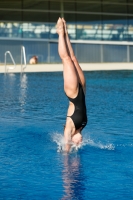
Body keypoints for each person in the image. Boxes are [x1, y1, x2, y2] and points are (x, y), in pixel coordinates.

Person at [56, 18, 87, 152]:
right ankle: (66, 33)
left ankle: (60, 33)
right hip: (82, 91)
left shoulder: (69, 128)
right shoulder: (82, 126)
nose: (81, 142)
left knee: (66, 60)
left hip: (73, 93)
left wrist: (67, 154)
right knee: (74, 59)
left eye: (78, 143)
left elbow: (66, 145)